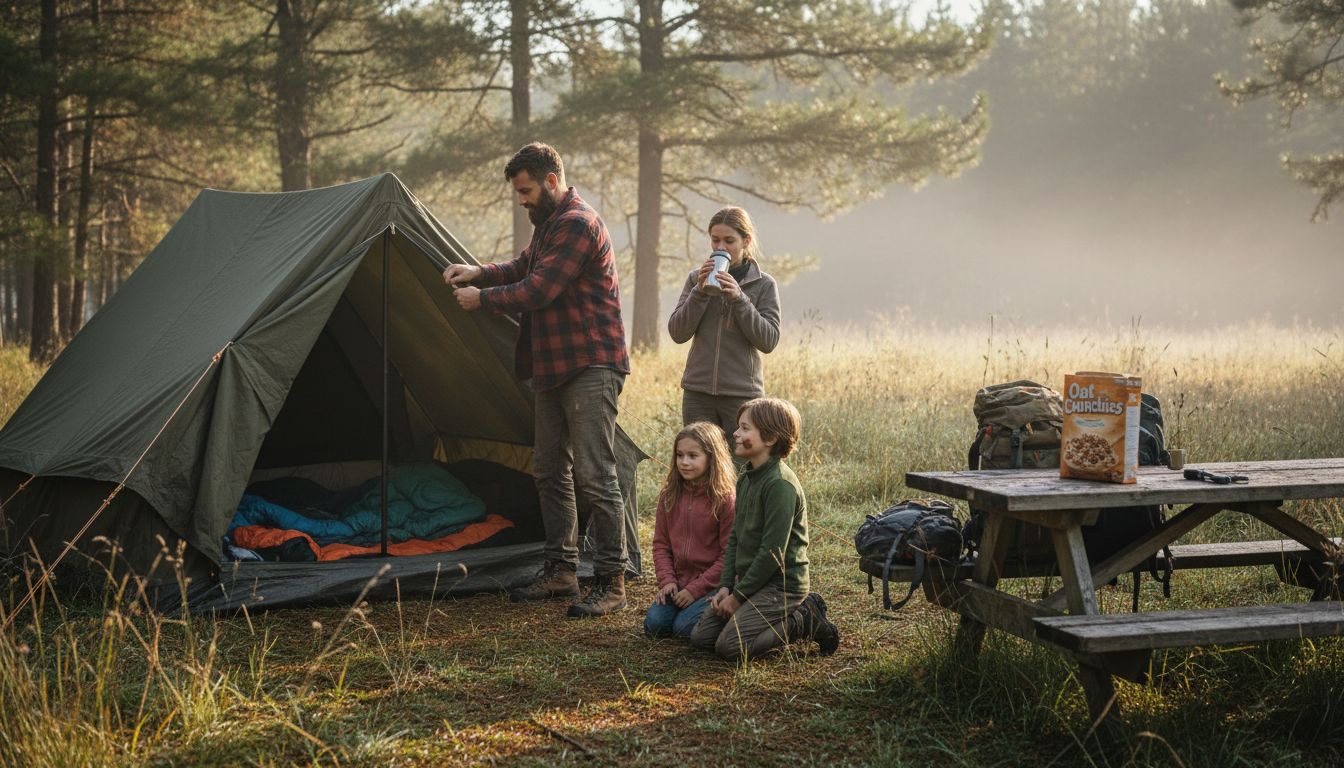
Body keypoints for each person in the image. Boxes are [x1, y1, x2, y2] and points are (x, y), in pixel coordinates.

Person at [443, 142, 631, 618]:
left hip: (590, 364)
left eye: (526, 190)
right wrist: (480, 272)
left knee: (595, 475)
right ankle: (562, 570)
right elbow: (523, 267)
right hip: (551, 367)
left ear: (551, 181)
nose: (522, 200)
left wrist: (482, 299)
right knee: (549, 470)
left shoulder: (578, 223)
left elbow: (538, 289)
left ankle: (611, 580)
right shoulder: (549, 222)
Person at [689, 397, 839, 659]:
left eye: (745, 428)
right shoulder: (746, 477)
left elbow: (772, 552)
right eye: (738, 427)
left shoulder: (780, 485)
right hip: (750, 582)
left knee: (729, 647)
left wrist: (738, 598)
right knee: (701, 638)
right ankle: (749, 616)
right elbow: (735, 537)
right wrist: (726, 586)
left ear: (769, 438)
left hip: (780, 586)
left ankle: (805, 618)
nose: (735, 433)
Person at [667, 207, 781, 438]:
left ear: (746, 241)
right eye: (715, 240)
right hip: (697, 393)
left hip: (742, 395)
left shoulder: (764, 284)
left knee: (739, 459)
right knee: (699, 457)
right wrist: (699, 292)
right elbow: (678, 333)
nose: (720, 247)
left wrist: (740, 299)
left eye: (729, 241)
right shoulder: (695, 278)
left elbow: (769, 341)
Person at [645, 422, 737, 639]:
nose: (684, 462)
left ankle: (725, 612)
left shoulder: (724, 499)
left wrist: (695, 590)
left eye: (693, 456)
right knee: (654, 625)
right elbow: (661, 545)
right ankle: (686, 609)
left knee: (683, 628)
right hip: (678, 582)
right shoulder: (669, 495)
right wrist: (667, 581)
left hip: (711, 585)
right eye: (680, 455)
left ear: (711, 458)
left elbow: (729, 555)